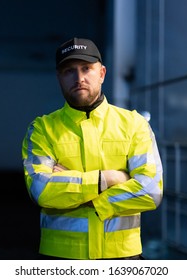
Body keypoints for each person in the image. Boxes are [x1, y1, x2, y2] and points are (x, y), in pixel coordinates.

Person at [21, 37, 163, 260]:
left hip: (123, 258)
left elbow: (151, 190)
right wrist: (109, 178)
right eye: (69, 71)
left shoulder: (134, 124)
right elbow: (41, 190)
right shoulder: (42, 129)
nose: (79, 78)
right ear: (59, 78)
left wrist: (92, 200)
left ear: (102, 73)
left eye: (86, 68)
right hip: (61, 258)